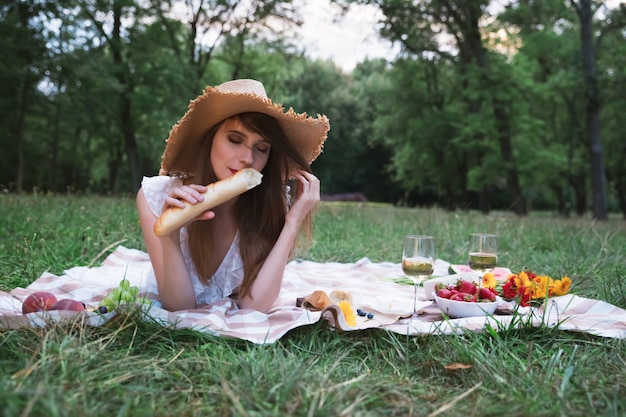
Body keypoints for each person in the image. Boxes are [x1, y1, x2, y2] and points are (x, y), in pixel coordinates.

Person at [136, 79, 330, 313]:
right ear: (209, 140)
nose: (248, 158)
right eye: (235, 140)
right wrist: (170, 234)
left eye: (261, 148)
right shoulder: (157, 197)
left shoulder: (270, 202)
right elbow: (180, 308)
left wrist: (292, 223)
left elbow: (254, 307)